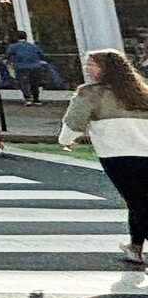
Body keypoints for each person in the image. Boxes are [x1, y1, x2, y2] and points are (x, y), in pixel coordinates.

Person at [61, 48, 148, 269]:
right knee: (139, 200)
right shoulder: (141, 92)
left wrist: (65, 140)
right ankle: (135, 247)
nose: (87, 68)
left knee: (138, 202)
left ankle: (136, 247)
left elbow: (73, 123)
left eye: (92, 64)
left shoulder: (90, 93)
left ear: (106, 69)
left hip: (118, 156)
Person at [1, 30, 51, 105]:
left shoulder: (14, 47)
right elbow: (41, 55)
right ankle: (36, 99)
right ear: (26, 37)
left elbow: (7, 56)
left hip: (21, 67)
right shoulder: (33, 46)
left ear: (16, 37)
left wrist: (7, 62)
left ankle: (28, 99)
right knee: (35, 83)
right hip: (35, 66)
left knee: (24, 83)